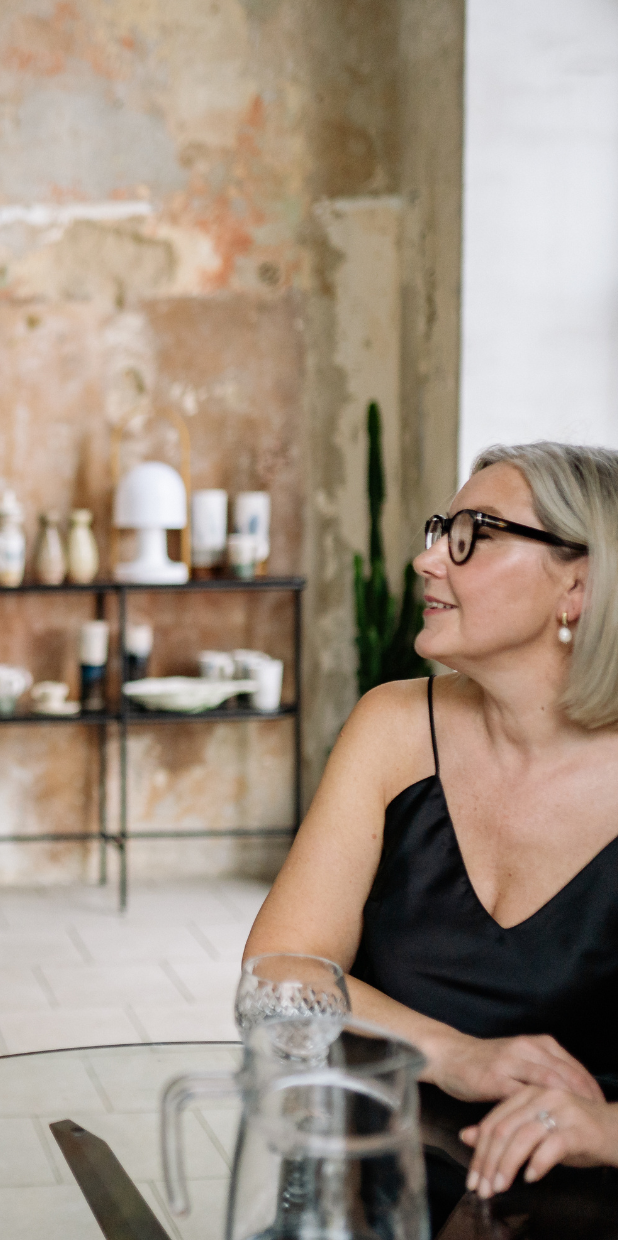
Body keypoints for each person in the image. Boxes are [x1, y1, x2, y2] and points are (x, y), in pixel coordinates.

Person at [244, 441, 618, 1209]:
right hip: (365, 1190)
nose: (426, 560)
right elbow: (277, 977)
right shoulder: (391, 725)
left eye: (474, 535)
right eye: (440, 529)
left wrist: (608, 1129)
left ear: (577, 584)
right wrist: (453, 1055)